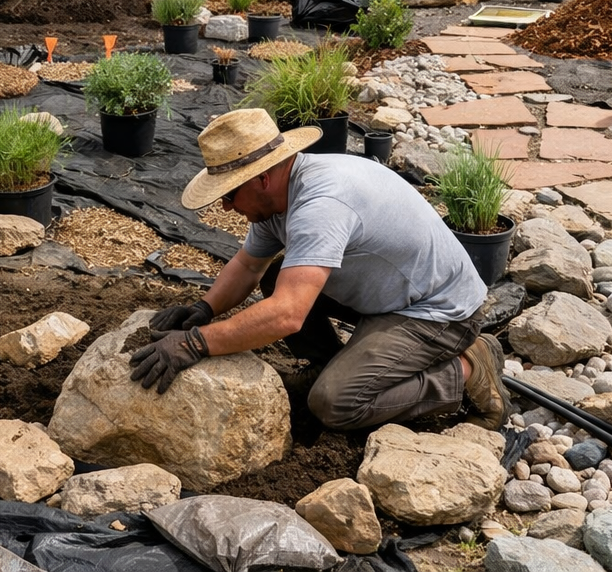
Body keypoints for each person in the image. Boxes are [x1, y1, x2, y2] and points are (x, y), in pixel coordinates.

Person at [129, 109, 510, 431]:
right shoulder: (278, 195)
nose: (226, 206)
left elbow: (288, 315)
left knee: (333, 403)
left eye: (229, 193)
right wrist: (205, 308)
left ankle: (467, 368)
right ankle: (330, 363)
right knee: (279, 276)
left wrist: (196, 343)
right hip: (393, 291)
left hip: (438, 312)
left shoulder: (321, 205)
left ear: (262, 178)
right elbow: (248, 265)